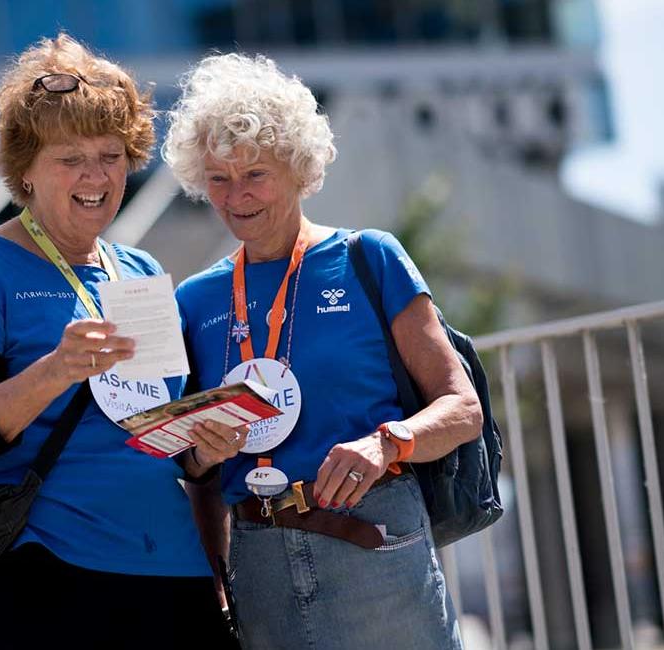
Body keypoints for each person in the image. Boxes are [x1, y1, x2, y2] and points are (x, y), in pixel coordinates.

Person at [0, 35, 242, 649]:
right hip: (47, 577)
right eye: (71, 158)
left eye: (111, 155)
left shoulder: (140, 270)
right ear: (26, 171)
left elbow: (171, 444)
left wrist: (207, 445)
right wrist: (56, 369)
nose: (96, 176)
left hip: (172, 571)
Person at [164, 52, 484, 649]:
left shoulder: (370, 258)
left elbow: (462, 409)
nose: (236, 197)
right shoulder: (193, 300)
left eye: (254, 173)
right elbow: (198, 476)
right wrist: (214, 559)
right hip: (256, 563)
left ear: (297, 165)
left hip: (373, 539)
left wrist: (385, 443)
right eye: (217, 178)